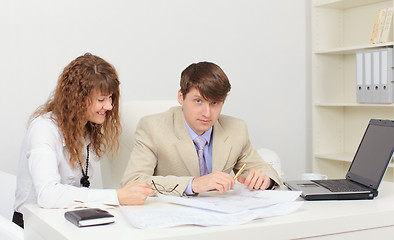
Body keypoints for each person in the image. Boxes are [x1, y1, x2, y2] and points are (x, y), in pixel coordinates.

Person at [13, 53, 153, 228]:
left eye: (110, 98)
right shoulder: (44, 129)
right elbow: (47, 195)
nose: (109, 106)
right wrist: (117, 196)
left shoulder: (84, 129)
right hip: (33, 228)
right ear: (77, 99)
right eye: (101, 99)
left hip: (65, 222)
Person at [121, 61, 280, 196]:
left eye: (215, 103)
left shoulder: (236, 129)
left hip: (222, 218)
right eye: (198, 101)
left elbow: (262, 169)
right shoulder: (153, 128)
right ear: (181, 97)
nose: (207, 113)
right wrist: (193, 184)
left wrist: (264, 178)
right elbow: (133, 181)